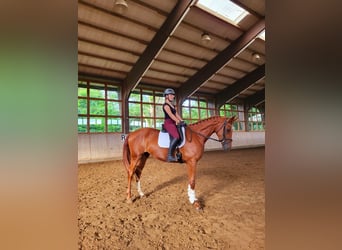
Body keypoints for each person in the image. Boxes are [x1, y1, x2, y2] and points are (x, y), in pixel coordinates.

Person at [162, 88, 184, 162]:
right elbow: (170, 115)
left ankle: (178, 153)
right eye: (171, 95)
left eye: (173, 95)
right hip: (168, 123)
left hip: (174, 122)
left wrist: (182, 121)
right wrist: (177, 120)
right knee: (176, 136)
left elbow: (176, 114)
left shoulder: (172, 106)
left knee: (182, 134)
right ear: (166, 96)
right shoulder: (165, 105)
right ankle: (170, 156)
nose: (172, 96)